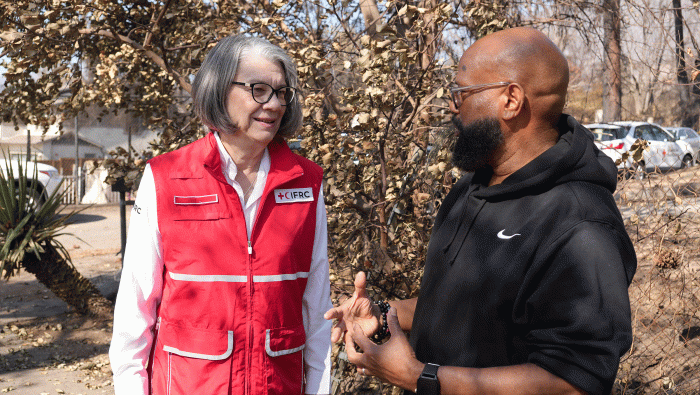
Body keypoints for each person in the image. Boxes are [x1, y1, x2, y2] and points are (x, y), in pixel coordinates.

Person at [324, 27, 637, 395]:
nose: (452, 106)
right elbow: (462, 303)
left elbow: (573, 381)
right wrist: (384, 313)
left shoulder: (580, 225)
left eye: (462, 92)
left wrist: (417, 376)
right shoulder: (473, 186)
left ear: (511, 100)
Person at [109, 35, 332, 395]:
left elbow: (317, 310)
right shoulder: (166, 177)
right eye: (258, 89)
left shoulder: (307, 184)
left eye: (281, 92)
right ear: (217, 90)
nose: (273, 104)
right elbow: (135, 314)